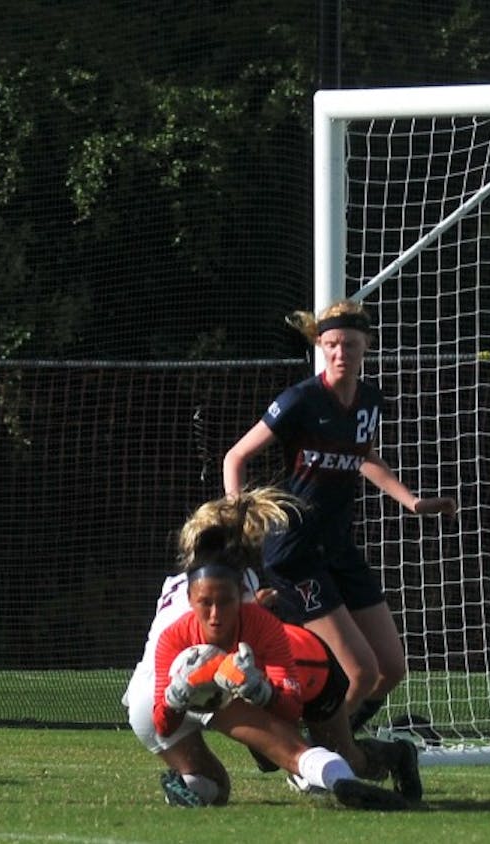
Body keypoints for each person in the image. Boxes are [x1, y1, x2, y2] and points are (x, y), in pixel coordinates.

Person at [222, 299, 457, 735]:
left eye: (349, 343)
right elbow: (235, 457)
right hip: (295, 553)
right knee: (361, 672)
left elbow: (364, 456)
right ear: (320, 347)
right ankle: (319, 753)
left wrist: (412, 501)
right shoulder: (301, 399)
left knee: (390, 669)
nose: (339, 353)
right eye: (330, 344)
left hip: (338, 547)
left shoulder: (369, 402)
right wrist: (238, 517)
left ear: (367, 345)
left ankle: (336, 741)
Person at [122, 488, 422, 809]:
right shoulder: (242, 591)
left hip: (150, 692)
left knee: (217, 786)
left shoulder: (176, 586)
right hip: (194, 681)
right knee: (310, 756)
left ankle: (197, 784)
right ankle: (338, 774)